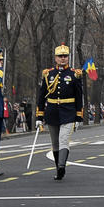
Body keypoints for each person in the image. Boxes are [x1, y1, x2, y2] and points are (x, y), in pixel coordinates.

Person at [35, 44, 84, 180]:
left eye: (65, 56)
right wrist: (39, 116)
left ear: (68, 58)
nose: (63, 58)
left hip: (68, 112)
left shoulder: (74, 74)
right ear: (55, 58)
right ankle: (58, 168)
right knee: (55, 143)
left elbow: (79, 97)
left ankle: (61, 166)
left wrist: (79, 116)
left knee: (64, 140)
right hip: (52, 112)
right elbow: (41, 96)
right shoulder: (48, 74)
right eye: (60, 56)